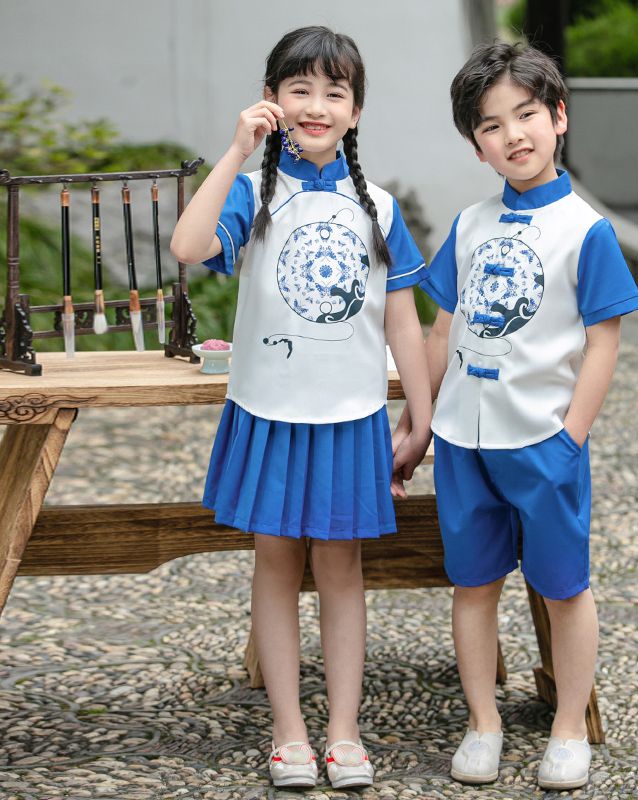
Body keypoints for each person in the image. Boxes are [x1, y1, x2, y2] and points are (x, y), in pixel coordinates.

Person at [170, 26, 431, 791]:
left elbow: (401, 320)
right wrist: (234, 150)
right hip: (269, 410)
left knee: (344, 571)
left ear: (355, 111)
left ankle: (344, 731)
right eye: (300, 89)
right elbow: (187, 247)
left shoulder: (378, 205)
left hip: (351, 416)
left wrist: (420, 417)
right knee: (275, 566)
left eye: (335, 92)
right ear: (274, 99)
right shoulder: (250, 194)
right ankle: (288, 732)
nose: (316, 105)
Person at [397, 41, 638, 790]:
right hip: (464, 440)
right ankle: (484, 722)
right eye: (493, 126)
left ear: (558, 116)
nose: (515, 135)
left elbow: (605, 340)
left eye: (528, 114)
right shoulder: (470, 225)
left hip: (543, 439)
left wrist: (572, 435)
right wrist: (419, 424)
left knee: (564, 585)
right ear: (477, 145)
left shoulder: (586, 228)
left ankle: (569, 728)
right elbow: (442, 330)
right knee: (472, 583)